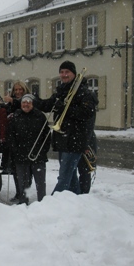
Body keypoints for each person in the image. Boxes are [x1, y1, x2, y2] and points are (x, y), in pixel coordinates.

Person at [34, 60, 96, 195]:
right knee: (71, 177)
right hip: (63, 139)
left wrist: (66, 109)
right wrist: (33, 101)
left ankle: (51, 204)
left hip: (75, 140)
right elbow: (48, 105)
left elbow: (87, 113)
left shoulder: (84, 92)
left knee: (63, 178)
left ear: (73, 73)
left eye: (67, 72)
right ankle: (77, 202)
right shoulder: (62, 91)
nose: (64, 75)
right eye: (61, 72)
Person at [7, 94, 50, 204]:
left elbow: (47, 135)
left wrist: (43, 150)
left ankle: (43, 203)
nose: (26, 104)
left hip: (38, 156)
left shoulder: (40, 116)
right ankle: (23, 203)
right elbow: (10, 135)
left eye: (28, 102)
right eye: (23, 102)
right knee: (23, 184)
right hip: (21, 156)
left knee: (40, 183)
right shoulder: (15, 116)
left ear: (32, 103)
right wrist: (15, 149)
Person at [3, 80, 31, 201]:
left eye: (21, 90)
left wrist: (13, 101)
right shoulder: (10, 103)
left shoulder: (28, 100)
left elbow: (22, 106)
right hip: (13, 139)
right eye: (16, 90)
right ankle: (19, 192)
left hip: (26, 140)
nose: (18, 92)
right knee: (15, 169)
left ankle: (24, 193)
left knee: (26, 169)